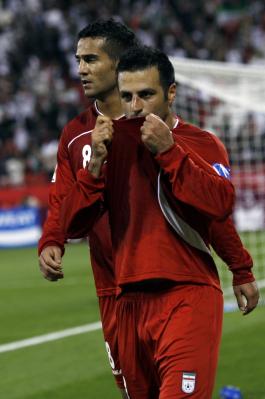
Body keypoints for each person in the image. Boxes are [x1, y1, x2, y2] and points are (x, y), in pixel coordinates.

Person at [60, 46, 259, 398]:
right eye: (127, 97)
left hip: (186, 294)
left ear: (171, 93)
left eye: (146, 95)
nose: (135, 107)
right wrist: (93, 170)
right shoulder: (109, 144)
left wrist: (240, 268)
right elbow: (73, 227)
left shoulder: (201, 143)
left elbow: (218, 206)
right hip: (128, 303)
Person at [37, 19, 140, 399]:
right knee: (131, 390)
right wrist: (52, 240)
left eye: (91, 59)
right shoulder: (74, 134)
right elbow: (60, 199)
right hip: (111, 286)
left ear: (120, 64)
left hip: (161, 279)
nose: (80, 69)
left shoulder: (152, 125)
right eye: (79, 59)